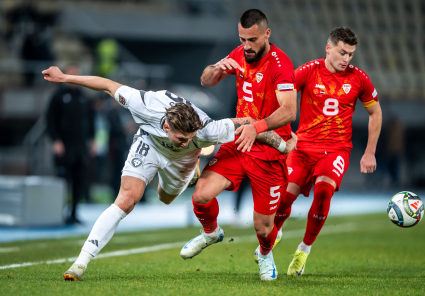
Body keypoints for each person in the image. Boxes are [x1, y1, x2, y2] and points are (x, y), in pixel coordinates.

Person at [41, 66, 296, 281]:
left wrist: (285, 145)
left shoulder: (206, 129)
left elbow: (250, 124)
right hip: (150, 145)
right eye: (180, 137)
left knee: (165, 197)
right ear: (166, 125)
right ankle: (81, 262)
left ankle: (191, 174)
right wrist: (65, 78)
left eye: (189, 137)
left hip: (184, 161)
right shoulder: (144, 105)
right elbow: (107, 85)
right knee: (127, 199)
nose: (185, 140)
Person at [179, 9, 297, 281]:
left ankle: (265, 254)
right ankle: (210, 233)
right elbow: (205, 80)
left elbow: (289, 111)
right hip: (238, 144)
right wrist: (218, 69)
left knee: (264, 228)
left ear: (267, 34)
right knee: (201, 195)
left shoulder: (280, 64)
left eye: (252, 40)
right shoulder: (238, 53)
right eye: (242, 39)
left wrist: (255, 127)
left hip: (268, 149)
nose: (247, 46)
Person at [269, 27, 383, 276]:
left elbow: (375, 113)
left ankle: (303, 251)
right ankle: (273, 234)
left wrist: (370, 152)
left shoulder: (359, 78)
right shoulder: (309, 71)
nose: (347, 59)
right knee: (285, 198)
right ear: (328, 48)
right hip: (302, 147)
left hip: (336, 150)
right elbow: (282, 96)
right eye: (343, 53)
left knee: (323, 192)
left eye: (351, 55)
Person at [46, 65, 96, 224]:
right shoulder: (58, 96)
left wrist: (92, 139)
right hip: (64, 146)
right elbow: (50, 120)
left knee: (79, 181)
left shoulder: (84, 97)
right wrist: (56, 140)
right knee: (63, 182)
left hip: (80, 147)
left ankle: (74, 213)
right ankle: (59, 213)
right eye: (72, 75)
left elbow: (91, 120)